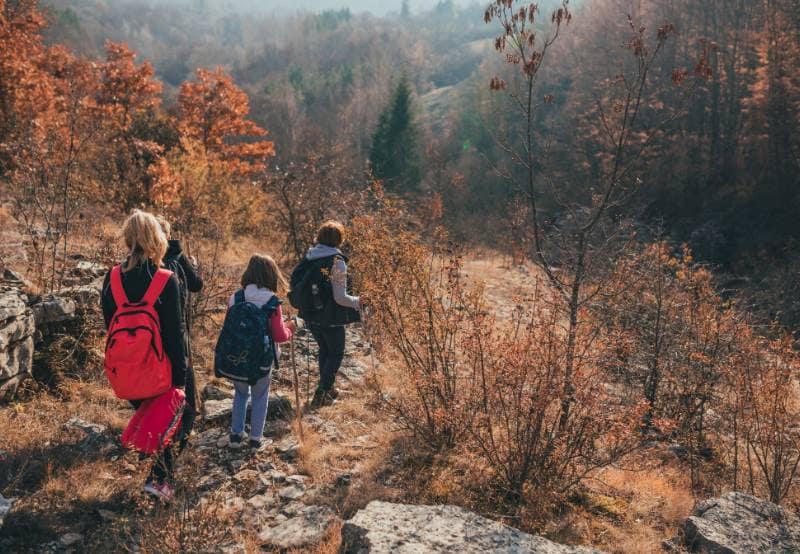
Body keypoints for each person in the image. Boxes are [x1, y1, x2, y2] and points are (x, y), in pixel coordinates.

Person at [101, 210, 187, 502]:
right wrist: (181, 375)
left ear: (128, 239)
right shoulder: (165, 279)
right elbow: (175, 334)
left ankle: (159, 479)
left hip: (125, 373)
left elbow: (110, 325)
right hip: (159, 371)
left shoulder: (111, 278)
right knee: (168, 426)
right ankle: (159, 482)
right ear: (157, 239)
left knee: (155, 424)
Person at [226, 254, 295, 448]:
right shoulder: (271, 301)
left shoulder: (235, 297)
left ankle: (236, 435)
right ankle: (256, 438)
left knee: (239, 394)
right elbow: (280, 335)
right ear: (271, 275)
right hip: (262, 359)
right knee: (260, 396)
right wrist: (290, 329)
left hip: (237, 356)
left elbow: (228, 327)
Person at [295, 221, 360, 408]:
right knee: (336, 353)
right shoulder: (337, 262)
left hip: (310, 314)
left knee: (325, 350)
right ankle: (322, 392)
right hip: (331, 317)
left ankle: (327, 388)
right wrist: (358, 301)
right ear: (339, 239)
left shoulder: (309, 257)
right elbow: (340, 298)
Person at [157, 216, 203, 451]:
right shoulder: (177, 254)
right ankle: (185, 426)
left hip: (154, 331)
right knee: (184, 375)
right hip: (180, 326)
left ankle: (163, 427)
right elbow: (197, 284)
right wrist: (193, 266)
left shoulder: (146, 261)